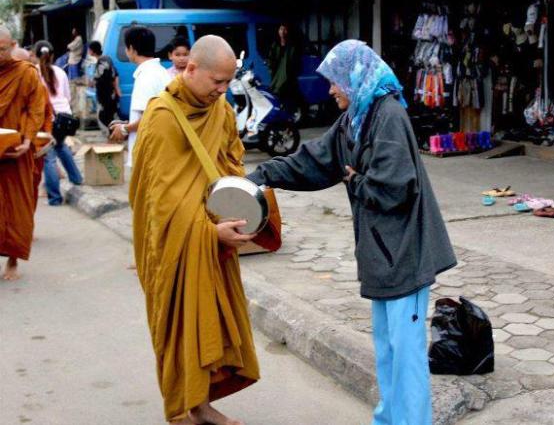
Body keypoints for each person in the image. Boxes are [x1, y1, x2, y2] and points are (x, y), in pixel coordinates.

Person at [247, 40, 457, 425]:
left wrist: (355, 179)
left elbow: (395, 188)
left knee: (406, 355)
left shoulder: (388, 115)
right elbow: (314, 161)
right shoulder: (356, 118)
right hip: (381, 254)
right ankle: (389, 419)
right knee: (387, 350)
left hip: (405, 254)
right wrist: (262, 176)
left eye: (335, 81)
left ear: (354, 77)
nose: (330, 90)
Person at [131, 35, 277, 425]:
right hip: (177, 244)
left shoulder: (222, 111)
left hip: (215, 237)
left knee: (212, 322)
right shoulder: (162, 116)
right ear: (190, 68)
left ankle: (203, 404)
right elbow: (159, 202)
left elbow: (231, 165)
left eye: (228, 82)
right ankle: (182, 407)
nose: (222, 90)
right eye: (216, 81)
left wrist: (243, 211)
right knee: (181, 324)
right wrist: (209, 233)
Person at [0, 25, 47, 281]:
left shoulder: (25, 73)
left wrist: (28, 139)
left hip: (17, 149)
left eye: (3, 50)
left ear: (13, 45)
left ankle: (13, 260)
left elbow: (36, 108)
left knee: (17, 207)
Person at [109, 25, 171, 168]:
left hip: (148, 153)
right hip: (158, 149)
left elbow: (149, 118)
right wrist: (127, 123)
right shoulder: (160, 71)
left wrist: (124, 129)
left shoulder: (146, 76)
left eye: (126, 47)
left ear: (131, 49)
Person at [34, 41, 83, 206]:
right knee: (61, 147)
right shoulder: (60, 72)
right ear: (53, 55)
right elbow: (67, 97)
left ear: (35, 55)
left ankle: (55, 198)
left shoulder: (34, 73)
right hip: (63, 118)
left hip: (47, 119)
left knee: (49, 158)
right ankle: (77, 179)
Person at [11, 46, 53, 210]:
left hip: (34, 148)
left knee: (31, 186)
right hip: (9, 146)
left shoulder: (39, 87)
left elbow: (47, 114)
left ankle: (25, 225)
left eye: (27, 64)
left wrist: (47, 135)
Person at [88, 40, 121, 133]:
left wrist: (90, 83)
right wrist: (117, 88)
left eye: (89, 49)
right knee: (109, 115)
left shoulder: (102, 62)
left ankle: (115, 135)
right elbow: (115, 74)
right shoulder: (106, 59)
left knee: (104, 116)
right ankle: (115, 135)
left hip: (106, 94)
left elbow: (98, 78)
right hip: (110, 93)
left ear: (92, 51)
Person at [267, 23, 301, 112]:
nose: (283, 32)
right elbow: (270, 59)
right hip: (277, 75)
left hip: (289, 76)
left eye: (285, 30)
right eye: (281, 29)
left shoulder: (292, 46)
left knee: (288, 98)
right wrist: (271, 67)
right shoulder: (275, 45)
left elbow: (295, 61)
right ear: (278, 31)